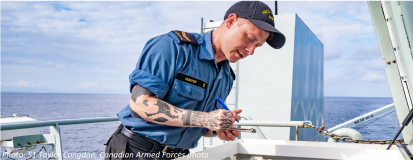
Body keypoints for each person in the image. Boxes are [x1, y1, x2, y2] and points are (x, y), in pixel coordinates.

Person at [104, 1, 285, 160]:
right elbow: (140, 105)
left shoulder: (227, 77)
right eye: (250, 38)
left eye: (257, 46)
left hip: (180, 155)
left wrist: (219, 127)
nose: (251, 51)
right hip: (135, 150)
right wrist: (206, 118)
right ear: (230, 21)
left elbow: (202, 127)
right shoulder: (174, 47)